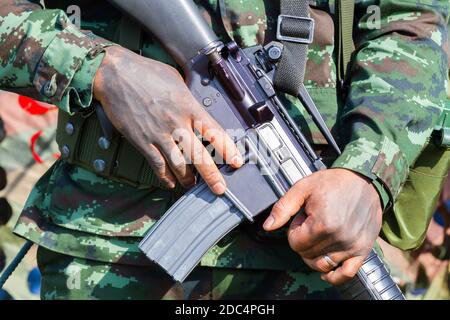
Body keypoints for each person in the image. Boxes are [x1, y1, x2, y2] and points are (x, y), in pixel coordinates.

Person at [0, 0, 448, 299]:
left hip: (317, 246)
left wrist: (367, 171)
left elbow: (411, 19)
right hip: (109, 250)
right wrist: (100, 68)